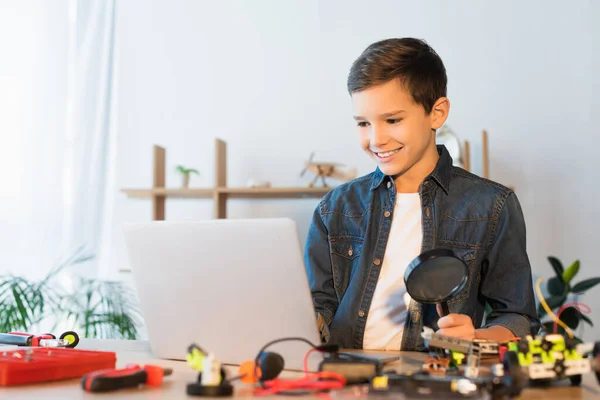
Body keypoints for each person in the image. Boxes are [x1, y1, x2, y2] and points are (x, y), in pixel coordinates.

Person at [304, 38, 539, 351]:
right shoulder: (335, 208)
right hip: (345, 379)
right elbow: (318, 305)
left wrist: (476, 337)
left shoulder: (491, 206)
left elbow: (517, 318)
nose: (376, 139)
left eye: (393, 120)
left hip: (434, 381)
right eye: (363, 123)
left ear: (437, 113)